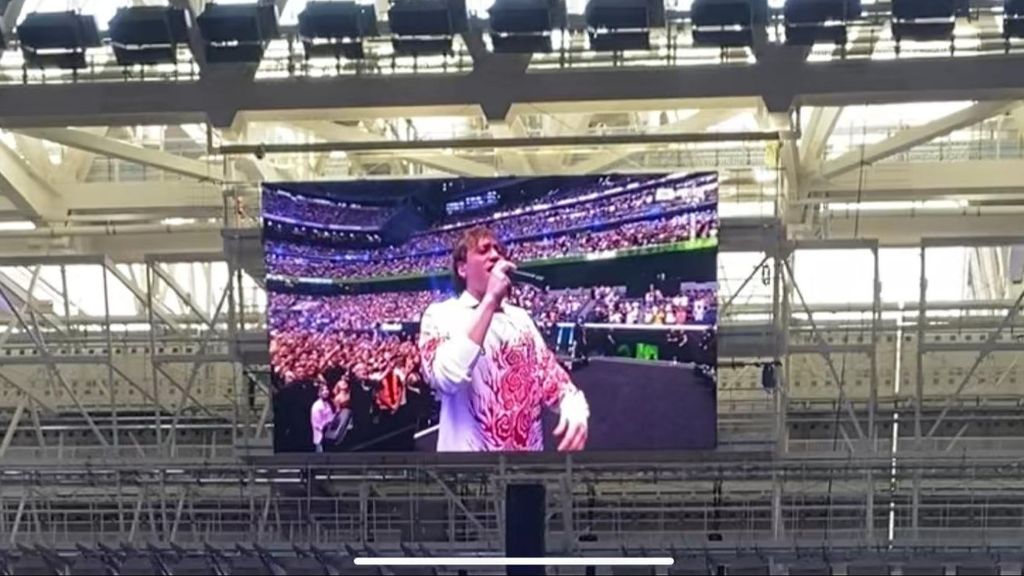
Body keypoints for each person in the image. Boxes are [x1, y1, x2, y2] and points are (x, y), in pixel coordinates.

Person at [418, 226, 589, 452]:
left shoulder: (521, 318)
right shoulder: (440, 315)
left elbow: (551, 378)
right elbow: (446, 378)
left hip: (526, 473)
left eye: (498, 250)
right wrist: (490, 300)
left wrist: (573, 405)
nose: (496, 255)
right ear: (462, 268)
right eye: (484, 250)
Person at [310, 382, 335, 452]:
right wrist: (326, 425)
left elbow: (331, 417)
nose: (326, 392)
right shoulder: (317, 406)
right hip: (320, 437)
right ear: (318, 393)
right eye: (323, 390)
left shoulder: (327, 403)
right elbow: (316, 424)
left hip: (328, 436)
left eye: (327, 389)